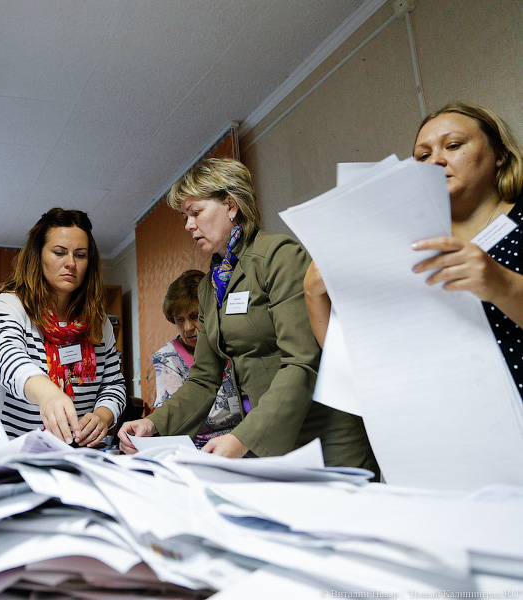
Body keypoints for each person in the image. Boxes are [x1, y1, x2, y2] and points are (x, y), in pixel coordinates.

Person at [118, 158, 375, 471]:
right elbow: (203, 378)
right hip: (268, 437)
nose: (188, 224)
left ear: (230, 205)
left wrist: (242, 439)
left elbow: (302, 361)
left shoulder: (278, 256)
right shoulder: (210, 286)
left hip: (324, 432)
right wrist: (153, 424)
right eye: (185, 216)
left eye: (196, 212)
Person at [305, 102, 523, 399]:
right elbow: (361, 369)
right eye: (423, 155)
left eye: (453, 145)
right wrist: (314, 294)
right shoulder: (406, 245)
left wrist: (502, 283)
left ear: (499, 154)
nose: (436, 161)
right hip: (450, 419)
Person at [0, 208, 126, 446]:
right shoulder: (10, 305)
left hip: (79, 451)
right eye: (59, 252)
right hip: (19, 450)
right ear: (38, 256)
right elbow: (8, 362)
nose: (70, 263)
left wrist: (103, 416)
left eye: (80, 255)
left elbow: (113, 384)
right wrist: (49, 395)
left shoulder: (99, 321)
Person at [152, 269, 243, 448]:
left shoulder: (233, 345)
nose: (187, 327)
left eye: (194, 317)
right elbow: (176, 420)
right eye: (179, 319)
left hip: (242, 440)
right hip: (198, 448)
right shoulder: (168, 358)